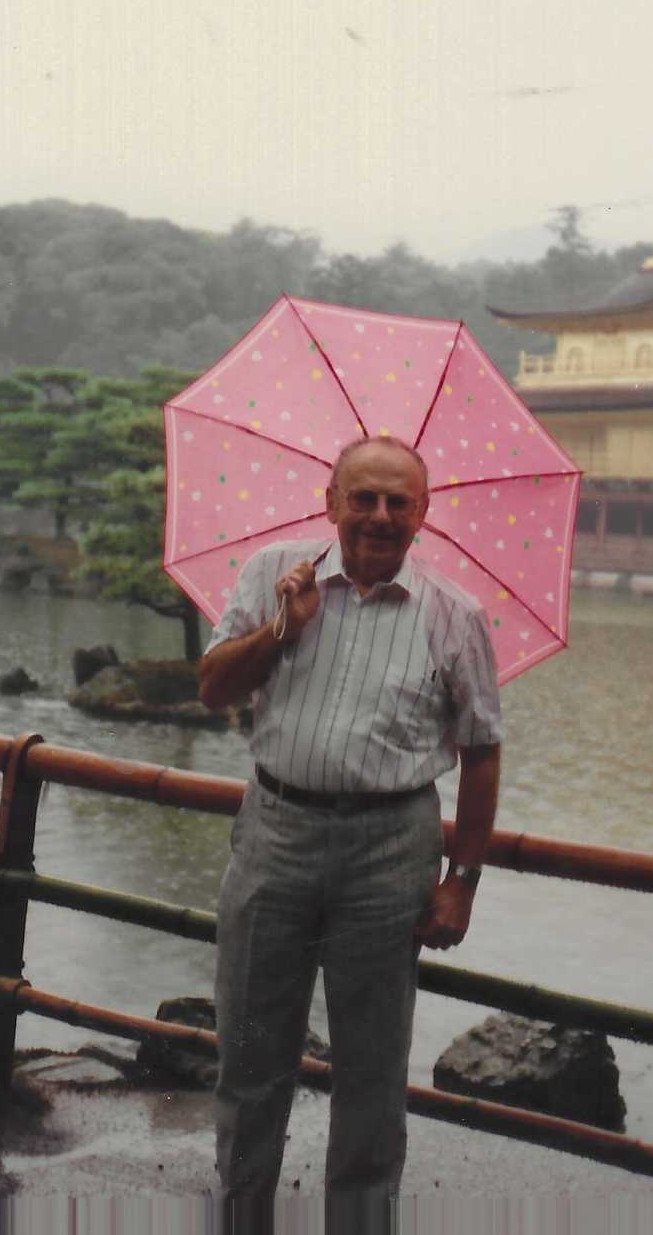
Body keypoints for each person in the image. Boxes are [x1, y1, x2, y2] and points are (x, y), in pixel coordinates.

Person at [198, 435, 502, 1227]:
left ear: (422, 513)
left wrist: (461, 880)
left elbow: (481, 749)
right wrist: (279, 630)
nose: (379, 515)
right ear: (330, 502)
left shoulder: (452, 615)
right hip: (276, 830)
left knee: (370, 1075)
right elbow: (210, 688)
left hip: (391, 849)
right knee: (250, 1054)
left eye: (398, 501)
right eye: (362, 497)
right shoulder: (275, 573)